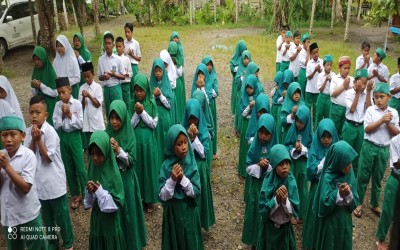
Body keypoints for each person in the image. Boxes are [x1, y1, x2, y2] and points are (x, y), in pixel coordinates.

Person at [25, 95, 74, 250]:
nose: (34, 116)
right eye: (31, 112)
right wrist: (33, 139)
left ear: (45, 115)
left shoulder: (51, 132)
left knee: (61, 216)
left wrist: (39, 139)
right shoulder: (28, 132)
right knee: (47, 218)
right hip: (39, 184)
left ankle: (68, 242)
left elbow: (47, 158)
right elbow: (28, 156)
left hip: (54, 183)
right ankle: (53, 242)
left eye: (37, 112)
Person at [0, 116, 48, 250]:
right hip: (9, 217)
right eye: (4, 135)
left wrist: (7, 167)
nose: (8, 139)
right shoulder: (2, 155)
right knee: (14, 247)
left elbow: (26, 187)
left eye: (12, 135)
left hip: (28, 215)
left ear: (22, 136)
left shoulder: (28, 156)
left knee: (37, 246)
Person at [354, 83, 400, 219]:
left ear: (389, 97)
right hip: (369, 146)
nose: (378, 100)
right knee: (363, 176)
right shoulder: (370, 111)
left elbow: (397, 133)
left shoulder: (394, 113)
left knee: (378, 178)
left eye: (382, 97)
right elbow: (367, 129)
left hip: (384, 149)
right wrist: (381, 120)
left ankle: (374, 203)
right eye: (376, 97)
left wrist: (388, 123)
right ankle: (358, 202)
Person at [106, 100, 147, 249]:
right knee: (116, 213)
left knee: (129, 212)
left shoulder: (130, 135)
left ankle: (132, 242)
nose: (114, 122)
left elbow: (131, 161)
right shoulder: (107, 134)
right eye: (111, 118)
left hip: (126, 179)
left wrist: (118, 151)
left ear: (124, 117)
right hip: (112, 181)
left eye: (118, 118)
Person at [159, 124, 204, 250]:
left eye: (185, 142)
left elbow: (196, 192)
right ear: (171, 146)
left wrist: (183, 180)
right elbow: (162, 195)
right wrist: (172, 180)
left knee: (190, 241)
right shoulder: (166, 166)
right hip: (172, 215)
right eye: (179, 144)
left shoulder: (191, 163)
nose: (184, 147)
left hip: (188, 211)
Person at [312, 141, 359, 250]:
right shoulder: (328, 177)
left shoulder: (349, 173)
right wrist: (338, 193)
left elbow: (355, 201)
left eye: (351, 162)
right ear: (338, 162)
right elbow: (324, 204)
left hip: (344, 221)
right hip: (330, 223)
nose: (350, 166)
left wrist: (349, 194)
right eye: (346, 164)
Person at [84, 130, 125, 250]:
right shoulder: (92, 169)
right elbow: (87, 204)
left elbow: (117, 203)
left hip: (110, 225)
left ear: (107, 151)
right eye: (92, 154)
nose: (95, 158)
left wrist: (99, 192)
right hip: (97, 223)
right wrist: (90, 193)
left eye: (99, 154)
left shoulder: (113, 174)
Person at [242, 114, 278, 248]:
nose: (263, 136)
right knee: (256, 211)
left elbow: (279, 167)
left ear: (272, 133)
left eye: (267, 133)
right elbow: (247, 166)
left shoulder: (275, 149)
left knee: (268, 213)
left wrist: (268, 167)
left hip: (270, 186)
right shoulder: (254, 147)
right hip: (256, 186)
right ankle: (254, 239)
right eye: (261, 132)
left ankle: (266, 240)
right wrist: (257, 166)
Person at [302, 118, 339, 250]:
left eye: (329, 136)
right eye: (323, 136)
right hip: (317, 188)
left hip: (329, 189)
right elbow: (310, 170)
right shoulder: (314, 148)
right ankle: (310, 241)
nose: (326, 140)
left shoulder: (336, 149)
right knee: (314, 215)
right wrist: (323, 163)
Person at [257, 144, 299, 250]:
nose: (285, 167)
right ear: (274, 165)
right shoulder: (268, 181)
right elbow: (262, 209)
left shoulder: (291, 181)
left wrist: (285, 201)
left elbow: (295, 210)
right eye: (280, 164)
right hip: (269, 229)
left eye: (287, 163)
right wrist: (276, 199)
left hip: (285, 230)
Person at [53, 77, 87, 209]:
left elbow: (80, 124)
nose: (61, 95)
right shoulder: (57, 106)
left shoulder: (77, 104)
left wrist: (70, 114)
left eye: (63, 92)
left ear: (70, 90)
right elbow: (56, 125)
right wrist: (62, 115)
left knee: (80, 167)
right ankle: (75, 194)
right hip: (64, 137)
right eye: (59, 93)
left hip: (75, 137)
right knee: (69, 167)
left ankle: (86, 193)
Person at [182, 98, 215, 231]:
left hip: (199, 167)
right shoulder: (182, 129)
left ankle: (200, 221)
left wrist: (194, 139)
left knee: (199, 194)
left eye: (195, 119)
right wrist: (188, 138)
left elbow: (203, 154)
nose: (192, 122)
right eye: (190, 119)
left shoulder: (203, 131)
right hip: (187, 167)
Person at [131, 73, 159, 213]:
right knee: (139, 168)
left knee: (148, 168)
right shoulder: (132, 103)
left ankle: (150, 200)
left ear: (146, 89)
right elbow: (130, 125)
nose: (139, 93)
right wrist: (136, 113)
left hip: (148, 141)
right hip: (136, 141)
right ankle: (140, 197)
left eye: (141, 90)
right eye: (136, 90)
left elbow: (153, 124)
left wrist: (142, 112)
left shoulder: (151, 103)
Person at [284, 104, 313, 224]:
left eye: (302, 122)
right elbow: (286, 145)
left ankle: (301, 213)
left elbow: (314, 150)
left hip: (303, 165)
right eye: (297, 121)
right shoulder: (293, 130)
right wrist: (293, 149)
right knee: (291, 186)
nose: (299, 124)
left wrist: (304, 149)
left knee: (302, 188)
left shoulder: (310, 134)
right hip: (293, 163)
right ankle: (291, 213)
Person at [342, 68, 373, 177]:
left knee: (357, 155)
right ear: (354, 82)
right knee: (346, 154)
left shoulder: (366, 93)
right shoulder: (349, 93)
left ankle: (353, 179)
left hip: (360, 127)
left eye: (365, 83)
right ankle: (343, 178)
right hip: (350, 126)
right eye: (360, 82)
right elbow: (352, 109)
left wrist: (368, 92)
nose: (363, 85)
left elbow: (370, 109)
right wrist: (358, 93)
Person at [376, 134, 400, 250]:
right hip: (396, 178)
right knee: (388, 211)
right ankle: (381, 238)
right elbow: (396, 164)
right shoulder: (395, 141)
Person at [150, 58, 173, 166]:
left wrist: (160, 95)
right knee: (156, 140)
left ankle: (167, 162)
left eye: (160, 71)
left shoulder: (166, 84)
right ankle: (157, 164)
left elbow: (169, 105)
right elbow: (148, 102)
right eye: (156, 71)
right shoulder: (151, 84)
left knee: (165, 139)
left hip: (164, 116)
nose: (158, 74)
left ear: (163, 71)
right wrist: (153, 96)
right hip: (154, 116)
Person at [78, 62, 105, 150]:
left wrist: (89, 96)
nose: (86, 78)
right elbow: (81, 107)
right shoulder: (82, 88)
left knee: (99, 145)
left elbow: (98, 104)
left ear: (93, 74)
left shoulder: (98, 87)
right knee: (90, 147)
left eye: (88, 76)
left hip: (97, 122)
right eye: (84, 76)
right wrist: (83, 98)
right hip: (87, 123)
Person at [238, 75, 261, 177]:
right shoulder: (244, 97)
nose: (249, 90)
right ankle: (243, 169)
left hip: (255, 123)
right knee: (245, 146)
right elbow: (242, 113)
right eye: (247, 88)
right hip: (246, 123)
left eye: (251, 88)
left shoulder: (258, 96)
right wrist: (249, 106)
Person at [98, 32, 126, 115]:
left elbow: (123, 76)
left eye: (109, 43)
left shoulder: (117, 59)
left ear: (113, 45)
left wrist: (113, 75)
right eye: (106, 43)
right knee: (109, 111)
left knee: (119, 110)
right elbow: (99, 77)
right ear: (103, 45)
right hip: (106, 89)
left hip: (116, 88)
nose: (107, 46)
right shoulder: (101, 59)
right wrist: (104, 77)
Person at [31, 46, 58, 126]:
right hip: (39, 105)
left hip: (49, 105)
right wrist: (35, 87)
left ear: (43, 58)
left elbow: (55, 93)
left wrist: (41, 86)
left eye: (38, 59)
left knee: (50, 127)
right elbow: (34, 93)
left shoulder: (50, 72)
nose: (36, 62)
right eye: (35, 60)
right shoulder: (35, 71)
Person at [330, 56, 354, 139]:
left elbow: (354, 92)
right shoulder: (335, 79)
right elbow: (332, 93)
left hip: (347, 109)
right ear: (339, 68)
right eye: (344, 68)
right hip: (336, 109)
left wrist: (348, 87)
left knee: (343, 131)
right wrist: (343, 86)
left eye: (348, 68)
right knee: (334, 129)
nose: (347, 70)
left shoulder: (351, 79)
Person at [202, 55, 219, 157]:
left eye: (210, 65)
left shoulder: (213, 76)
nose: (208, 67)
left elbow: (216, 92)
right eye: (206, 65)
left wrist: (208, 89)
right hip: (204, 106)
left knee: (211, 124)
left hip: (211, 104)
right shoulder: (200, 77)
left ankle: (213, 149)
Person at [306, 42, 323, 128]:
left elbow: (323, 75)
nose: (316, 54)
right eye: (314, 53)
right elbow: (308, 77)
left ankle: (315, 127)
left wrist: (319, 71)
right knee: (308, 107)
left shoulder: (322, 62)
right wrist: (315, 70)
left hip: (317, 90)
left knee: (316, 109)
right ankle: (308, 125)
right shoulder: (309, 63)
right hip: (309, 89)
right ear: (311, 54)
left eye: (317, 52)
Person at [234, 50, 252, 133]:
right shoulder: (240, 68)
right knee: (241, 110)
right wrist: (242, 77)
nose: (246, 60)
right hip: (241, 94)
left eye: (247, 59)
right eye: (244, 59)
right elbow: (237, 82)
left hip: (249, 95)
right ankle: (239, 127)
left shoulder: (251, 68)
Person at [168, 41, 185, 122]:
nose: (172, 57)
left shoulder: (179, 61)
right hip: (170, 84)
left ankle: (179, 120)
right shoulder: (167, 62)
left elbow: (180, 73)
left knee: (178, 102)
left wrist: (176, 64)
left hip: (177, 84)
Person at [115, 36, 133, 113]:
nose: (118, 48)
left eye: (120, 46)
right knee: (119, 103)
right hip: (117, 84)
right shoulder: (114, 59)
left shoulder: (127, 59)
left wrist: (127, 74)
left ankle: (128, 120)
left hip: (125, 84)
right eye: (117, 46)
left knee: (127, 103)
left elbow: (131, 73)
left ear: (123, 47)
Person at [315, 54, 335, 125]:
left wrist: (330, 81)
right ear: (324, 66)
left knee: (328, 116)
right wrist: (325, 80)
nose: (329, 67)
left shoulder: (334, 75)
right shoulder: (320, 75)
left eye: (330, 65)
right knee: (319, 115)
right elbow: (320, 89)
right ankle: (316, 132)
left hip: (329, 98)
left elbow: (334, 88)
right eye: (327, 65)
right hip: (321, 97)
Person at [230, 40, 248, 114]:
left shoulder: (245, 57)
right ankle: (235, 110)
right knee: (236, 94)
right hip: (236, 79)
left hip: (244, 79)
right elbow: (231, 66)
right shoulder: (235, 57)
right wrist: (235, 69)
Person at [160, 49, 178, 123]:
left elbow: (173, 85)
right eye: (163, 63)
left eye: (165, 63)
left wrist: (166, 77)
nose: (164, 65)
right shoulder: (160, 70)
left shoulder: (172, 69)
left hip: (170, 94)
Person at [298, 33, 310, 97]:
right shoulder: (302, 52)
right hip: (303, 71)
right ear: (303, 43)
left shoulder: (310, 51)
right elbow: (306, 63)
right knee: (302, 90)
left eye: (309, 42)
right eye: (307, 42)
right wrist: (308, 52)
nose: (309, 44)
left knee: (307, 90)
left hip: (309, 71)